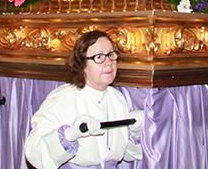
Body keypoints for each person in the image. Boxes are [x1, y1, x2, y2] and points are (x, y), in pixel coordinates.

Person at [25, 30, 143, 168]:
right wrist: (69, 135)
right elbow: (33, 154)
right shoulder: (62, 98)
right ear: (82, 65)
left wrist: (134, 132)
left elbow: (127, 155)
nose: (109, 63)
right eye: (99, 57)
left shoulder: (117, 98)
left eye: (111, 55)